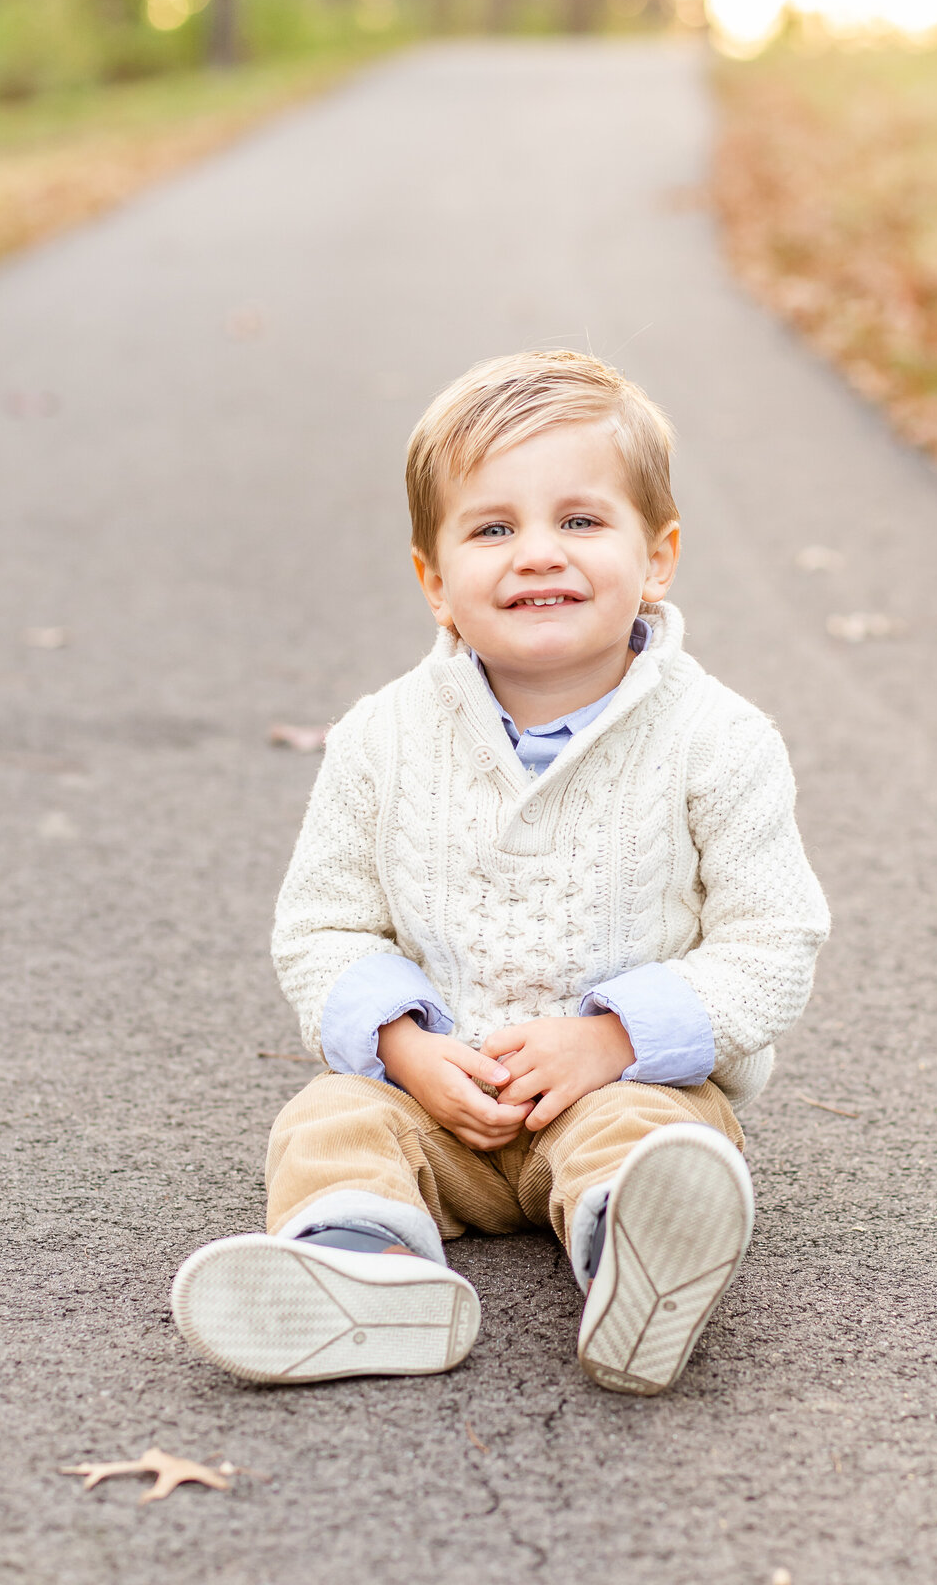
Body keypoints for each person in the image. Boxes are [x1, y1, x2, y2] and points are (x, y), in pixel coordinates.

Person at [171, 350, 829, 1397]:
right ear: (434, 580)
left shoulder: (720, 739)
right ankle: (365, 1271)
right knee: (328, 1123)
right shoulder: (381, 739)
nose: (537, 555)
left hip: (627, 1081)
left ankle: (638, 1260)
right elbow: (322, 929)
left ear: (657, 558)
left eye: (580, 521)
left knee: (654, 1140)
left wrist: (615, 1037)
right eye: (492, 528)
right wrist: (405, 1049)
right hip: (441, 1098)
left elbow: (772, 943)